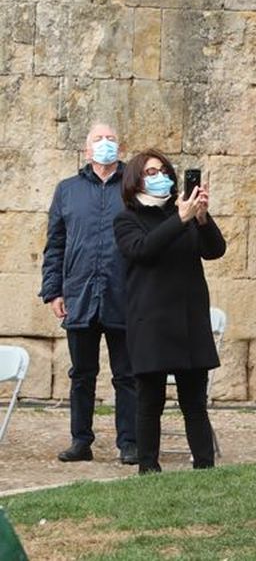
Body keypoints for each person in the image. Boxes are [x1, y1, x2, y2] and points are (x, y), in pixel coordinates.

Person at [113, 150, 224, 474]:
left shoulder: (185, 212)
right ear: (135, 180)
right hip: (152, 323)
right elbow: (143, 250)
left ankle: (205, 465)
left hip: (189, 320)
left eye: (162, 170)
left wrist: (201, 219)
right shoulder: (127, 218)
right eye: (150, 172)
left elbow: (215, 250)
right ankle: (148, 468)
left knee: (194, 402)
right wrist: (182, 219)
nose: (159, 176)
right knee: (150, 401)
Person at [39, 122, 137, 465]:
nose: (105, 143)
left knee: (127, 375)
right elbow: (55, 245)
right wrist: (53, 292)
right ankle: (81, 441)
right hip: (80, 295)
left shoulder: (133, 186)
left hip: (123, 295)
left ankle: (130, 443)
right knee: (82, 375)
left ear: (119, 149)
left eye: (111, 138)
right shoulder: (67, 190)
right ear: (87, 150)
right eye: (99, 139)